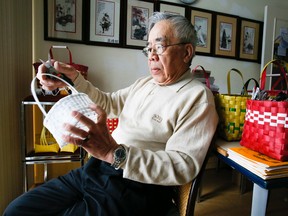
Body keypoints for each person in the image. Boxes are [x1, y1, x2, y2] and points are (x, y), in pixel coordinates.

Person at [4, 12, 218, 216]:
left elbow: (182, 166)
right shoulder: (144, 84)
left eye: (160, 46)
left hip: (137, 188)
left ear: (187, 52)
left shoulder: (198, 97)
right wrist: (72, 80)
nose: (151, 56)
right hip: (97, 169)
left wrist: (114, 152)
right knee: (17, 210)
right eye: (148, 48)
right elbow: (108, 103)